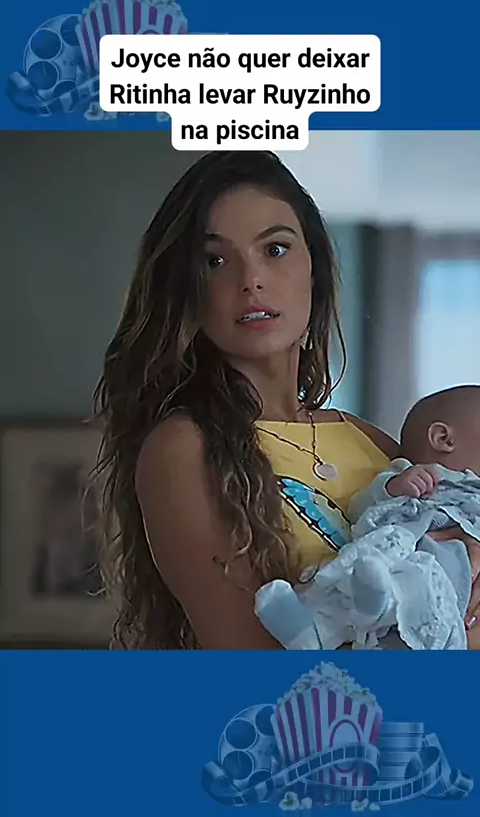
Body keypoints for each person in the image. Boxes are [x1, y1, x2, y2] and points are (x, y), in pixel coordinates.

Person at [93, 150, 480, 650]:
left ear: (313, 269)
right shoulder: (183, 448)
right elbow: (259, 664)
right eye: (215, 260)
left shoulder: (365, 438)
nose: (250, 280)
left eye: (275, 249)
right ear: (187, 288)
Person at [255, 385, 480, 650]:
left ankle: (368, 609)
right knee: (352, 577)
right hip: (400, 559)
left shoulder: (361, 433)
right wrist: (394, 488)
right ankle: (313, 630)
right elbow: (360, 509)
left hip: (444, 585)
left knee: (412, 587)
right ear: (443, 438)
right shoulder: (403, 473)